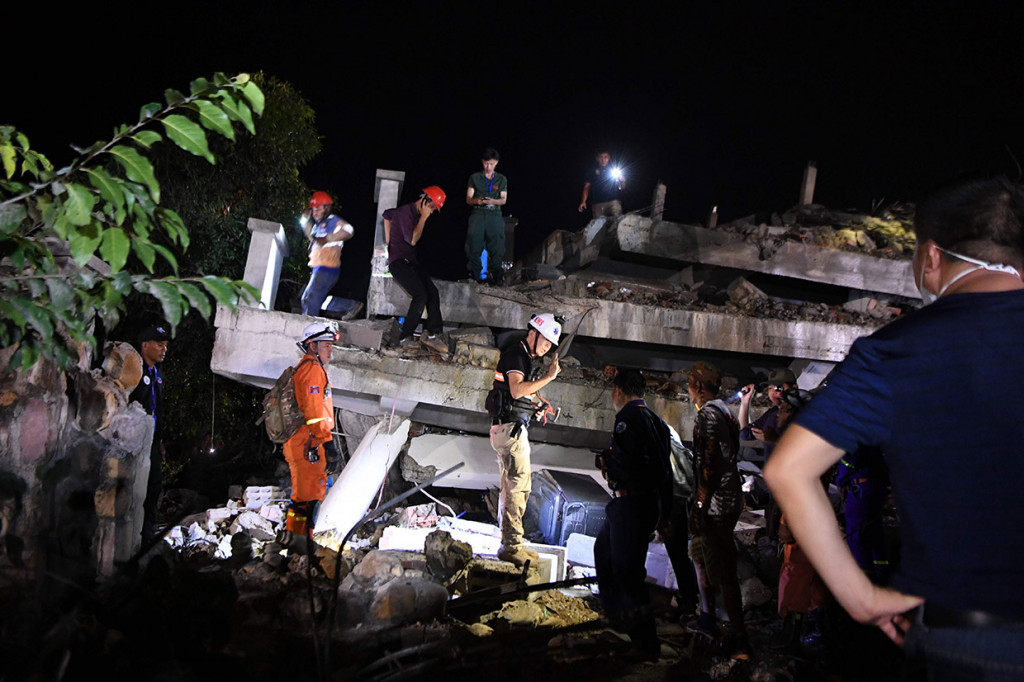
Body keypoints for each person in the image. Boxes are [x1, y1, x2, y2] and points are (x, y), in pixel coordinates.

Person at [764, 175, 1024, 679]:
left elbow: (789, 471)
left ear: (930, 258)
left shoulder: (896, 351)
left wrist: (861, 597)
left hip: (967, 644)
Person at [594, 369, 673, 660]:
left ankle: (644, 642)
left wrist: (610, 468)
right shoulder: (657, 422)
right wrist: (664, 513)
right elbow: (666, 471)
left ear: (618, 391)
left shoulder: (628, 419)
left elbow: (628, 465)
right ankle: (617, 618)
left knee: (628, 573)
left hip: (631, 503)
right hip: (642, 504)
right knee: (604, 553)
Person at [485, 313, 562, 567]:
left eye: (550, 346)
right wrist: (549, 377)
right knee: (518, 487)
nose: (546, 348)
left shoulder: (523, 357)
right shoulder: (517, 355)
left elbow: (517, 395)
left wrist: (534, 407)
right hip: (510, 431)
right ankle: (512, 546)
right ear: (534, 333)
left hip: (508, 427)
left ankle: (512, 541)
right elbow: (517, 389)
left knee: (512, 488)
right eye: (545, 342)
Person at [685, 361, 749, 658]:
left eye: (689, 383)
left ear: (697, 386)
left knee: (723, 569)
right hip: (724, 499)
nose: (688, 388)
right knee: (700, 555)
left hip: (716, 505)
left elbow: (709, 465)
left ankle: (739, 638)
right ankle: (707, 618)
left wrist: (700, 504)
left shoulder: (708, 416)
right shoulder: (723, 409)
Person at [283, 323, 341, 536]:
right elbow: (314, 413)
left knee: (303, 499)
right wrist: (327, 443)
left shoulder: (306, 369)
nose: (330, 351)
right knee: (309, 500)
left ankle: (295, 544)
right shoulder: (312, 371)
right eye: (326, 345)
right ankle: (301, 548)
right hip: (309, 445)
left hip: (303, 442)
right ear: (312, 346)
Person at [383, 186, 449, 353]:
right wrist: (424, 218)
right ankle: (405, 337)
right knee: (420, 295)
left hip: (411, 262)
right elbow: (412, 240)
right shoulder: (406, 213)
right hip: (399, 263)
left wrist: (388, 239)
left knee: (433, 292)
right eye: (432, 207)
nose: (432, 211)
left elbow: (387, 214)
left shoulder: (405, 213)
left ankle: (433, 334)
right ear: (425, 200)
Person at [738, 367, 796, 539]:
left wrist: (774, 440)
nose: (774, 393)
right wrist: (745, 402)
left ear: (793, 388)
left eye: (779, 388)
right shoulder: (772, 414)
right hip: (774, 482)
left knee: (789, 531)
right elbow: (745, 433)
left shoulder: (801, 413)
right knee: (773, 526)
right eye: (771, 388)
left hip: (792, 484)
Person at [129, 325, 170, 543]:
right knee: (135, 489)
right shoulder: (134, 368)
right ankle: (131, 537)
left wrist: (160, 439)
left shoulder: (158, 372)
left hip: (152, 441)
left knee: (153, 488)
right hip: (133, 441)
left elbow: (158, 407)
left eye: (165, 346)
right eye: (159, 345)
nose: (164, 350)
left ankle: (147, 536)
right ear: (145, 345)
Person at [836, 445, 891, 584]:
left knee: (857, 538)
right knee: (874, 534)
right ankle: (881, 579)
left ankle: (862, 583)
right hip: (876, 487)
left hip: (862, 488)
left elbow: (849, 461)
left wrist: (840, 480)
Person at [300, 191, 359, 319]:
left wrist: (328, 238)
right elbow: (310, 236)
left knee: (311, 297)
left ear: (326, 208)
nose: (315, 212)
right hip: (318, 269)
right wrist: (305, 221)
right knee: (307, 298)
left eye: (317, 208)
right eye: (313, 209)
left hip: (327, 269)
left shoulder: (332, 220)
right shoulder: (317, 226)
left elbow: (349, 230)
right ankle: (349, 305)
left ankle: (308, 324)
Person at [465, 147, 508, 285]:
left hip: (494, 213)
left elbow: (503, 199)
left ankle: (497, 276)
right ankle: (476, 274)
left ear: (496, 163)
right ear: (482, 162)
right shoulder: (474, 177)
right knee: (474, 243)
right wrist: (476, 201)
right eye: (486, 163)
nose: (488, 167)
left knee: (497, 245)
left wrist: (492, 201)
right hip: (478, 212)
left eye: (491, 164)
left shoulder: (501, 179)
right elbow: (468, 198)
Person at [578, 149, 625, 218]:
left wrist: (623, 181)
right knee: (599, 226)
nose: (603, 160)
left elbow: (621, 187)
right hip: (598, 203)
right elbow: (586, 187)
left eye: (605, 157)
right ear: (597, 158)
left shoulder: (614, 170)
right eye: (601, 157)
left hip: (613, 202)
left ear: (609, 158)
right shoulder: (592, 171)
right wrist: (583, 201)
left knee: (617, 222)